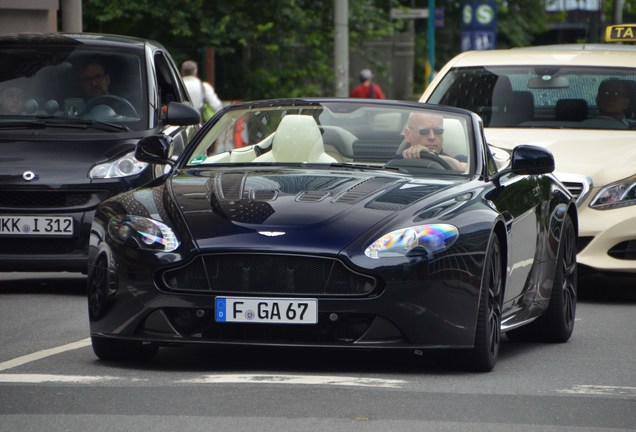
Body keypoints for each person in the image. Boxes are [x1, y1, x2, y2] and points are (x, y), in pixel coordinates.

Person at [401, 112, 467, 172]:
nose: (432, 137)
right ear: (408, 134)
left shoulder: (459, 160)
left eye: (438, 131)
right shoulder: (395, 163)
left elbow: (465, 168)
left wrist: (431, 156)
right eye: (424, 132)